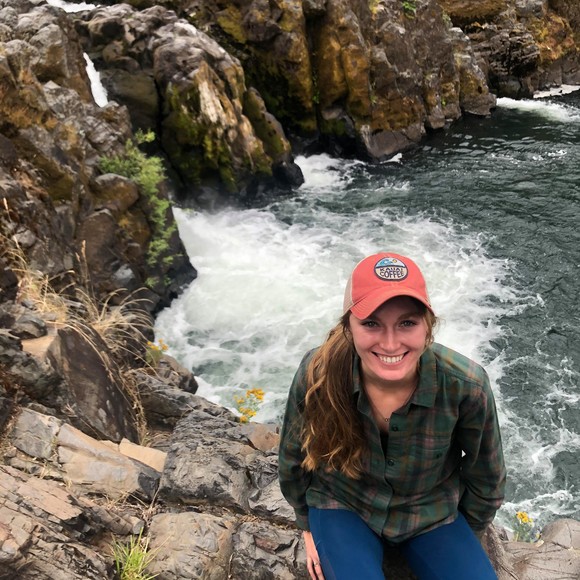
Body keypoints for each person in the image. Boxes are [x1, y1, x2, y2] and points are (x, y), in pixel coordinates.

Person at [278, 252, 506, 580]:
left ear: (428, 326)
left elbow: (487, 476)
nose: (389, 343)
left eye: (407, 323)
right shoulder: (318, 373)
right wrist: (307, 524)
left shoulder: (466, 386)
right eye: (371, 323)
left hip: (430, 512)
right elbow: (293, 456)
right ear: (348, 328)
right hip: (344, 505)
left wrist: (467, 540)